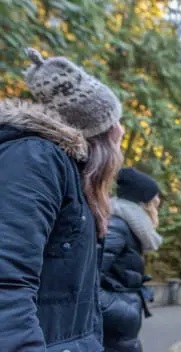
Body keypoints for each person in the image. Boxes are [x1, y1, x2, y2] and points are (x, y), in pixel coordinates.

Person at [0, 48, 124, 350]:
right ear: (99, 133)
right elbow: (6, 284)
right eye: (115, 123)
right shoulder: (34, 159)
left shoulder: (71, 175)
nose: (121, 130)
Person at [101, 167, 163, 351]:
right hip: (111, 333)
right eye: (155, 203)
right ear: (144, 204)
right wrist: (125, 310)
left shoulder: (127, 228)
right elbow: (86, 284)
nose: (157, 209)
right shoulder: (117, 227)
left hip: (118, 334)